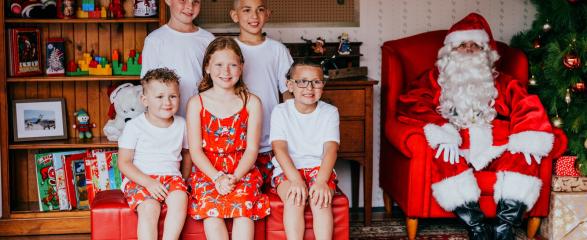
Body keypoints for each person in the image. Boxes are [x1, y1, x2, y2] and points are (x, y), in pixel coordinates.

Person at [398, 13, 555, 240]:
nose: (469, 50)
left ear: (486, 53)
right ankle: (477, 226)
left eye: (476, 46)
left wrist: (527, 135)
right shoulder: (434, 79)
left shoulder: (504, 82)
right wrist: (441, 129)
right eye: (463, 45)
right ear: (451, 51)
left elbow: (528, 107)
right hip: (458, 147)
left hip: (496, 149)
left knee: (525, 153)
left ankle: (504, 227)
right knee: (443, 153)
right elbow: (411, 104)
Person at [186, 36, 270, 240]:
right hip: (208, 173)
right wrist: (217, 177)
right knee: (212, 215)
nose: (226, 71)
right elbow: (195, 151)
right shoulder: (196, 103)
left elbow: (252, 149)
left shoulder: (252, 103)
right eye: (219, 65)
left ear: (241, 67)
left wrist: (234, 177)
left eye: (233, 65)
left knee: (243, 213)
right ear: (207, 67)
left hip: (242, 172)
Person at [270, 61, 340, 240]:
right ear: (290, 85)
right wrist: (295, 179)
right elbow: (279, 148)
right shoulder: (280, 111)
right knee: (295, 199)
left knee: (320, 201)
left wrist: (322, 181)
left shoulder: (330, 112)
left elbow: (331, 150)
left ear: (322, 85)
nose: (309, 88)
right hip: (289, 170)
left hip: (320, 169)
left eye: (316, 82)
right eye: (302, 81)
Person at [118, 68, 189, 240]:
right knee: (149, 207)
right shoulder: (134, 126)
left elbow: (187, 154)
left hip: (172, 177)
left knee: (180, 199)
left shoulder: (182, 124)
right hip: (141, 179)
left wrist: (183, 179)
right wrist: (148, 182)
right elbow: (124, 162)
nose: (167, 102)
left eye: (173, 96)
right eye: (160, 97)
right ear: (145, 100)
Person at [229, 0, 294, 189]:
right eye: (246, 10)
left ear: (268, 14)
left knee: (273, 190)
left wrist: (290, 130)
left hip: (271, 141)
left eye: (260, 10)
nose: (254, 16)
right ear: (235, 15)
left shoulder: (277, 50)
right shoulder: (229, 48)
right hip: (237, 142)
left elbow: (288, 93)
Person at [140, 0, 214, 117]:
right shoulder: (154, 40)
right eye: (183, 0)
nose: (190, 6)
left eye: (195, 1)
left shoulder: (208, 39)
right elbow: (148, 85)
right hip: (166, 119)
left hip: (202, 116)